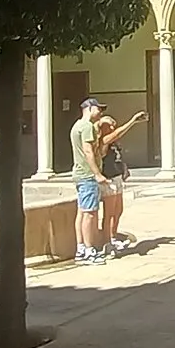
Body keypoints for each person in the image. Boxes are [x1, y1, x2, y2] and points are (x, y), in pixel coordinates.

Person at [94, 109, 147, 252]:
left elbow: (117, 155)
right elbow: (117, 133)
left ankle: (113, 235)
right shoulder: (102, 141)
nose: (112, 128)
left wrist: (124, 168)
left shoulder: (115, 143)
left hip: (117, 177)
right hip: (108, 179)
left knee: (118, 210)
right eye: (109, 126)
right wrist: (133, 120)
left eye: (113, 125)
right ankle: (107, 241)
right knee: (109, 212)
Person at [69, 96, 108, 265]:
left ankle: (81, 248)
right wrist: (97, 174)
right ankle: (89, 250)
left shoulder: (77, 126)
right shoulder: (86, 127)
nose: (100, 112)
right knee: (90, 214)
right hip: (87, 175)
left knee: (82, 212)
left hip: (79, 174)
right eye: (98, 108)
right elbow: (88, 151)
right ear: (89, 108)